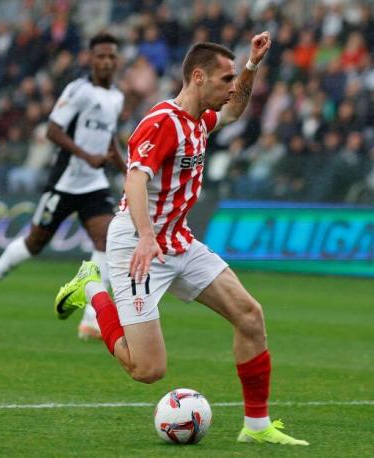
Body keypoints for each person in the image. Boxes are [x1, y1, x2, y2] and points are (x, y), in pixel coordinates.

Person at [55, 32, 308, 446]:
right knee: (147, 370)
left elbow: (237, 111)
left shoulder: (202, 120)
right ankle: (92, 289)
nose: (231, 89)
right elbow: (135, 179)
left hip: (177, 241)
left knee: (249, 315)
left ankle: (257, 427)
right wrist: (146, 237)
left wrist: (251, 66)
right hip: (138, 244)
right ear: (198, 78)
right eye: (225, 80)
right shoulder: (162, 122)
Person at [0, 33, 127, 341]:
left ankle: (92, 319)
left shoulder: (116, 97)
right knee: (34, 243)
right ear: (91, 59)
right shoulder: (78, 91)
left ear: (117, 61)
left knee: (107, 239)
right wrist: (85, 155)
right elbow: (52, 131)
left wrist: (128, 170)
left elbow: (109, 140)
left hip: (94, 184)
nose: (107, 62)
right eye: (101, 56)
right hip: (64, 182)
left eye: (112, 56)